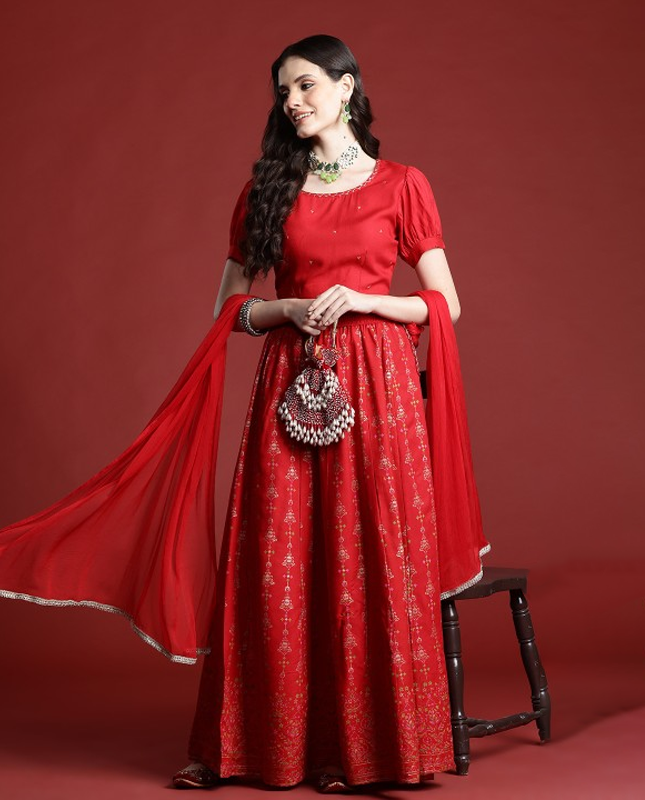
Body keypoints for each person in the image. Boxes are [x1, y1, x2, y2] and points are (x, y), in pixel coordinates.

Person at [171, 34, 487, 792]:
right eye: (283, 91)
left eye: (307, 85)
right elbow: (229, 312)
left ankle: (368, 752)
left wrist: (368, 301)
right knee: (276, 558)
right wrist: (288, 308)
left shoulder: (403, 184)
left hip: (379, 390)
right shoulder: (267, 190)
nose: (293, 102)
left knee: (370, 558)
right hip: (291, 381)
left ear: (347, 88)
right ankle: (260, 749)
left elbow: (444, 303)